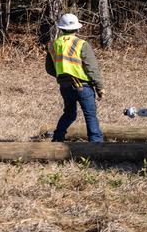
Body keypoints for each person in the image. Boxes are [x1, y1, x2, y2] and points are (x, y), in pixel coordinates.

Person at [45, 13, 106, 143]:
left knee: (69, 114)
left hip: (65, 86)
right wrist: (99, 87)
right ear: (77, 28)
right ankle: (96, 144)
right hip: (83, 86)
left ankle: (57, 139)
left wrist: (63, 76)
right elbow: (92, 68)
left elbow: (50, 69)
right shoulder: (81, 44)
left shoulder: (54, 45)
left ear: (61, 28)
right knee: (90, 115)